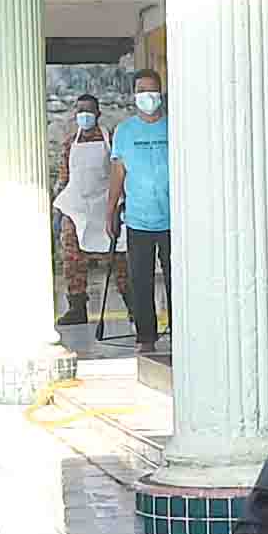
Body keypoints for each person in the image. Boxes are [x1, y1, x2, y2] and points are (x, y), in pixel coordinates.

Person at [109, 72, 174, 357]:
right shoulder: (125, 131)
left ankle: (181, 329)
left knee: (177, 278)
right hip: (138, 218)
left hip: (175, 219)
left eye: (152, 90)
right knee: (140, 279)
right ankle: (145, 336)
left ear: (161, 93)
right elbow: (117, 173)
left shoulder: (175, 126)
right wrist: (110, 210)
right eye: (141, 91)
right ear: (134, 95)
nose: (147, 96)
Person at [57, 93, 120, 337]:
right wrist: (59, 207)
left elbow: (119, 171)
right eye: (80, 110)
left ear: (98, 113)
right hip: (77, 208)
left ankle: (134, 305)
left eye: (89, 111)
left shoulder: (110, 140)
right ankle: (76, 306)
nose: (84, 115)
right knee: (72, 257)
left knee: (119, 257)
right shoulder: (69, 143)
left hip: (106, 205)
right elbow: (64, 177)